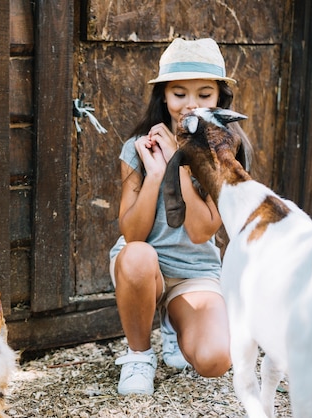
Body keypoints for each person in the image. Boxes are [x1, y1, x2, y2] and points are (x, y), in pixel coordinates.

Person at [109, 37, 251, 396]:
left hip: (195, 270)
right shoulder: (139, 147)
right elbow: (133, 234)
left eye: (204, 94)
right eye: (179, 94)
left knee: (216, 359)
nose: (191, 105)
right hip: (141, 266)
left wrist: (182, 163)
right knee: (139, 255)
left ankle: (175, 322)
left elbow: (203, 231)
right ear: (164, 97)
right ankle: (140, 356)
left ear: (219, 97)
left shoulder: (225, 152)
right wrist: (156, 174)